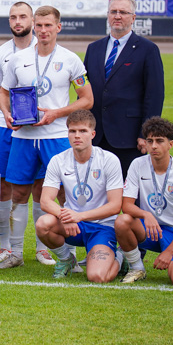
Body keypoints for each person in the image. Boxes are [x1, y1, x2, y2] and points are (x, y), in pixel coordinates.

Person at [0, 5, 94, 269]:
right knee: (19, 193)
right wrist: (6, 113)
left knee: (60, 194)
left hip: (56, 136)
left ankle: (60, 253)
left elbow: (87, 99)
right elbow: (3, 94)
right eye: (39, 25)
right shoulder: (18, 59)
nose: (43, 30)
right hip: (24, 137)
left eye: (48, 25)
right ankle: (16, 253)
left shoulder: (71, 59)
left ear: (58, 27)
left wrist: (57, 113)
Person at [36, 109, 124, 281]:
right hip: (73, 225)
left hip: (102, 227)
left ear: (92, 134)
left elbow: (115, 206)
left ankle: (121, 258)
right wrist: (66, 216)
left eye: (82, 131)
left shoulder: (109, 160)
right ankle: (67, 259)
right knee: (43, 224)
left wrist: (78, 216)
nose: (77, 135)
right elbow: (45, 201)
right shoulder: (58, 160)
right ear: (67, 133)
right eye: (72, 131)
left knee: (97, 276)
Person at [83, 0, 164, 177]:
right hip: (96, 136)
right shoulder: (93, 48)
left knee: (130, 196)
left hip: (129, 138)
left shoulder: (148, 49)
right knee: (98, 195)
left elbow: (155, 95)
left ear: (133, 18)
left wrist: (146, 133)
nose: (117, 16)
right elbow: (86, 91)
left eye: (123, 12)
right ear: (108, 15)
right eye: (114, 12)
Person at [0, 2, 42, 265]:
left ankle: (42, 248)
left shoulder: (44, 50)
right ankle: (5, 247)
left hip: (41, 130)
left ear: (32, 19)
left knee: (43, 186)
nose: (17, 21)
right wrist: (6, 114)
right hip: (7, 128)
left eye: (23, 16)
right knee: (2, 186)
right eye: (13, 17)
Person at [114, 117, 173, 287]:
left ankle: (122, 255)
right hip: (150, 228)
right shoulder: (137, 164)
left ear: (171, 144)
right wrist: (146, 214)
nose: (153, 146)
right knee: (122, 221)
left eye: (160, 141)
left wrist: (169, 252)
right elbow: (126, 205)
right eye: (150, 141)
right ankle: (136, 267)